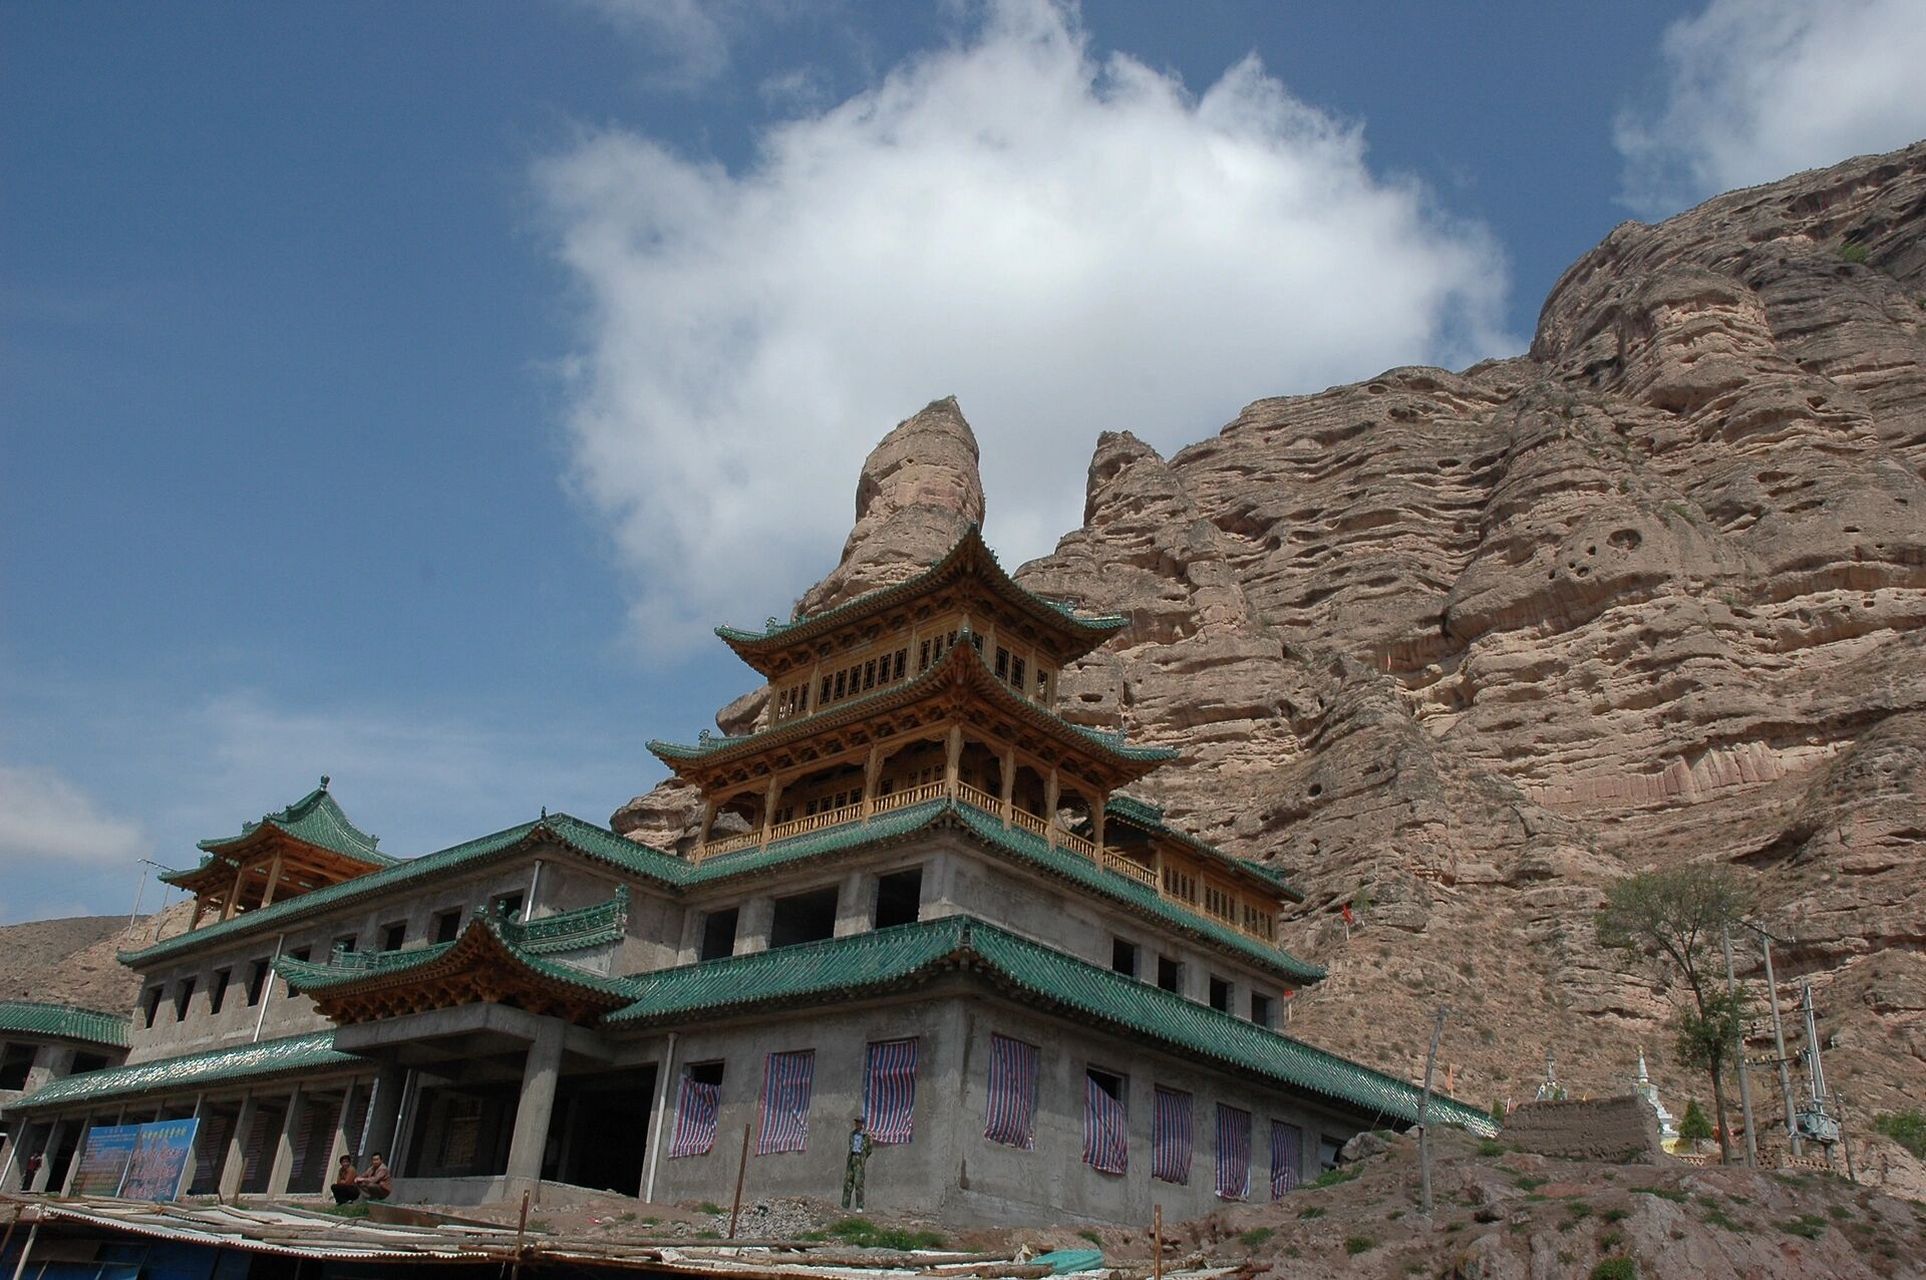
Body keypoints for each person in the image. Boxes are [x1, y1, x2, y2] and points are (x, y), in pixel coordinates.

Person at [841, 1119, 871, 1211]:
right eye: (856, 1122)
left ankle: (859, 1206)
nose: (857, 1124)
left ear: (862, 1124)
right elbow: (850, 1145)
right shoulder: (852, 1134)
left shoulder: (866, 1136)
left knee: (859, 1183)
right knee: (848, 1182)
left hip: (859, 1159)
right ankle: (845, 1205)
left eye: (859, 1122)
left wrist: (863, 1157)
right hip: (852, 1158)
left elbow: (869, 1150)